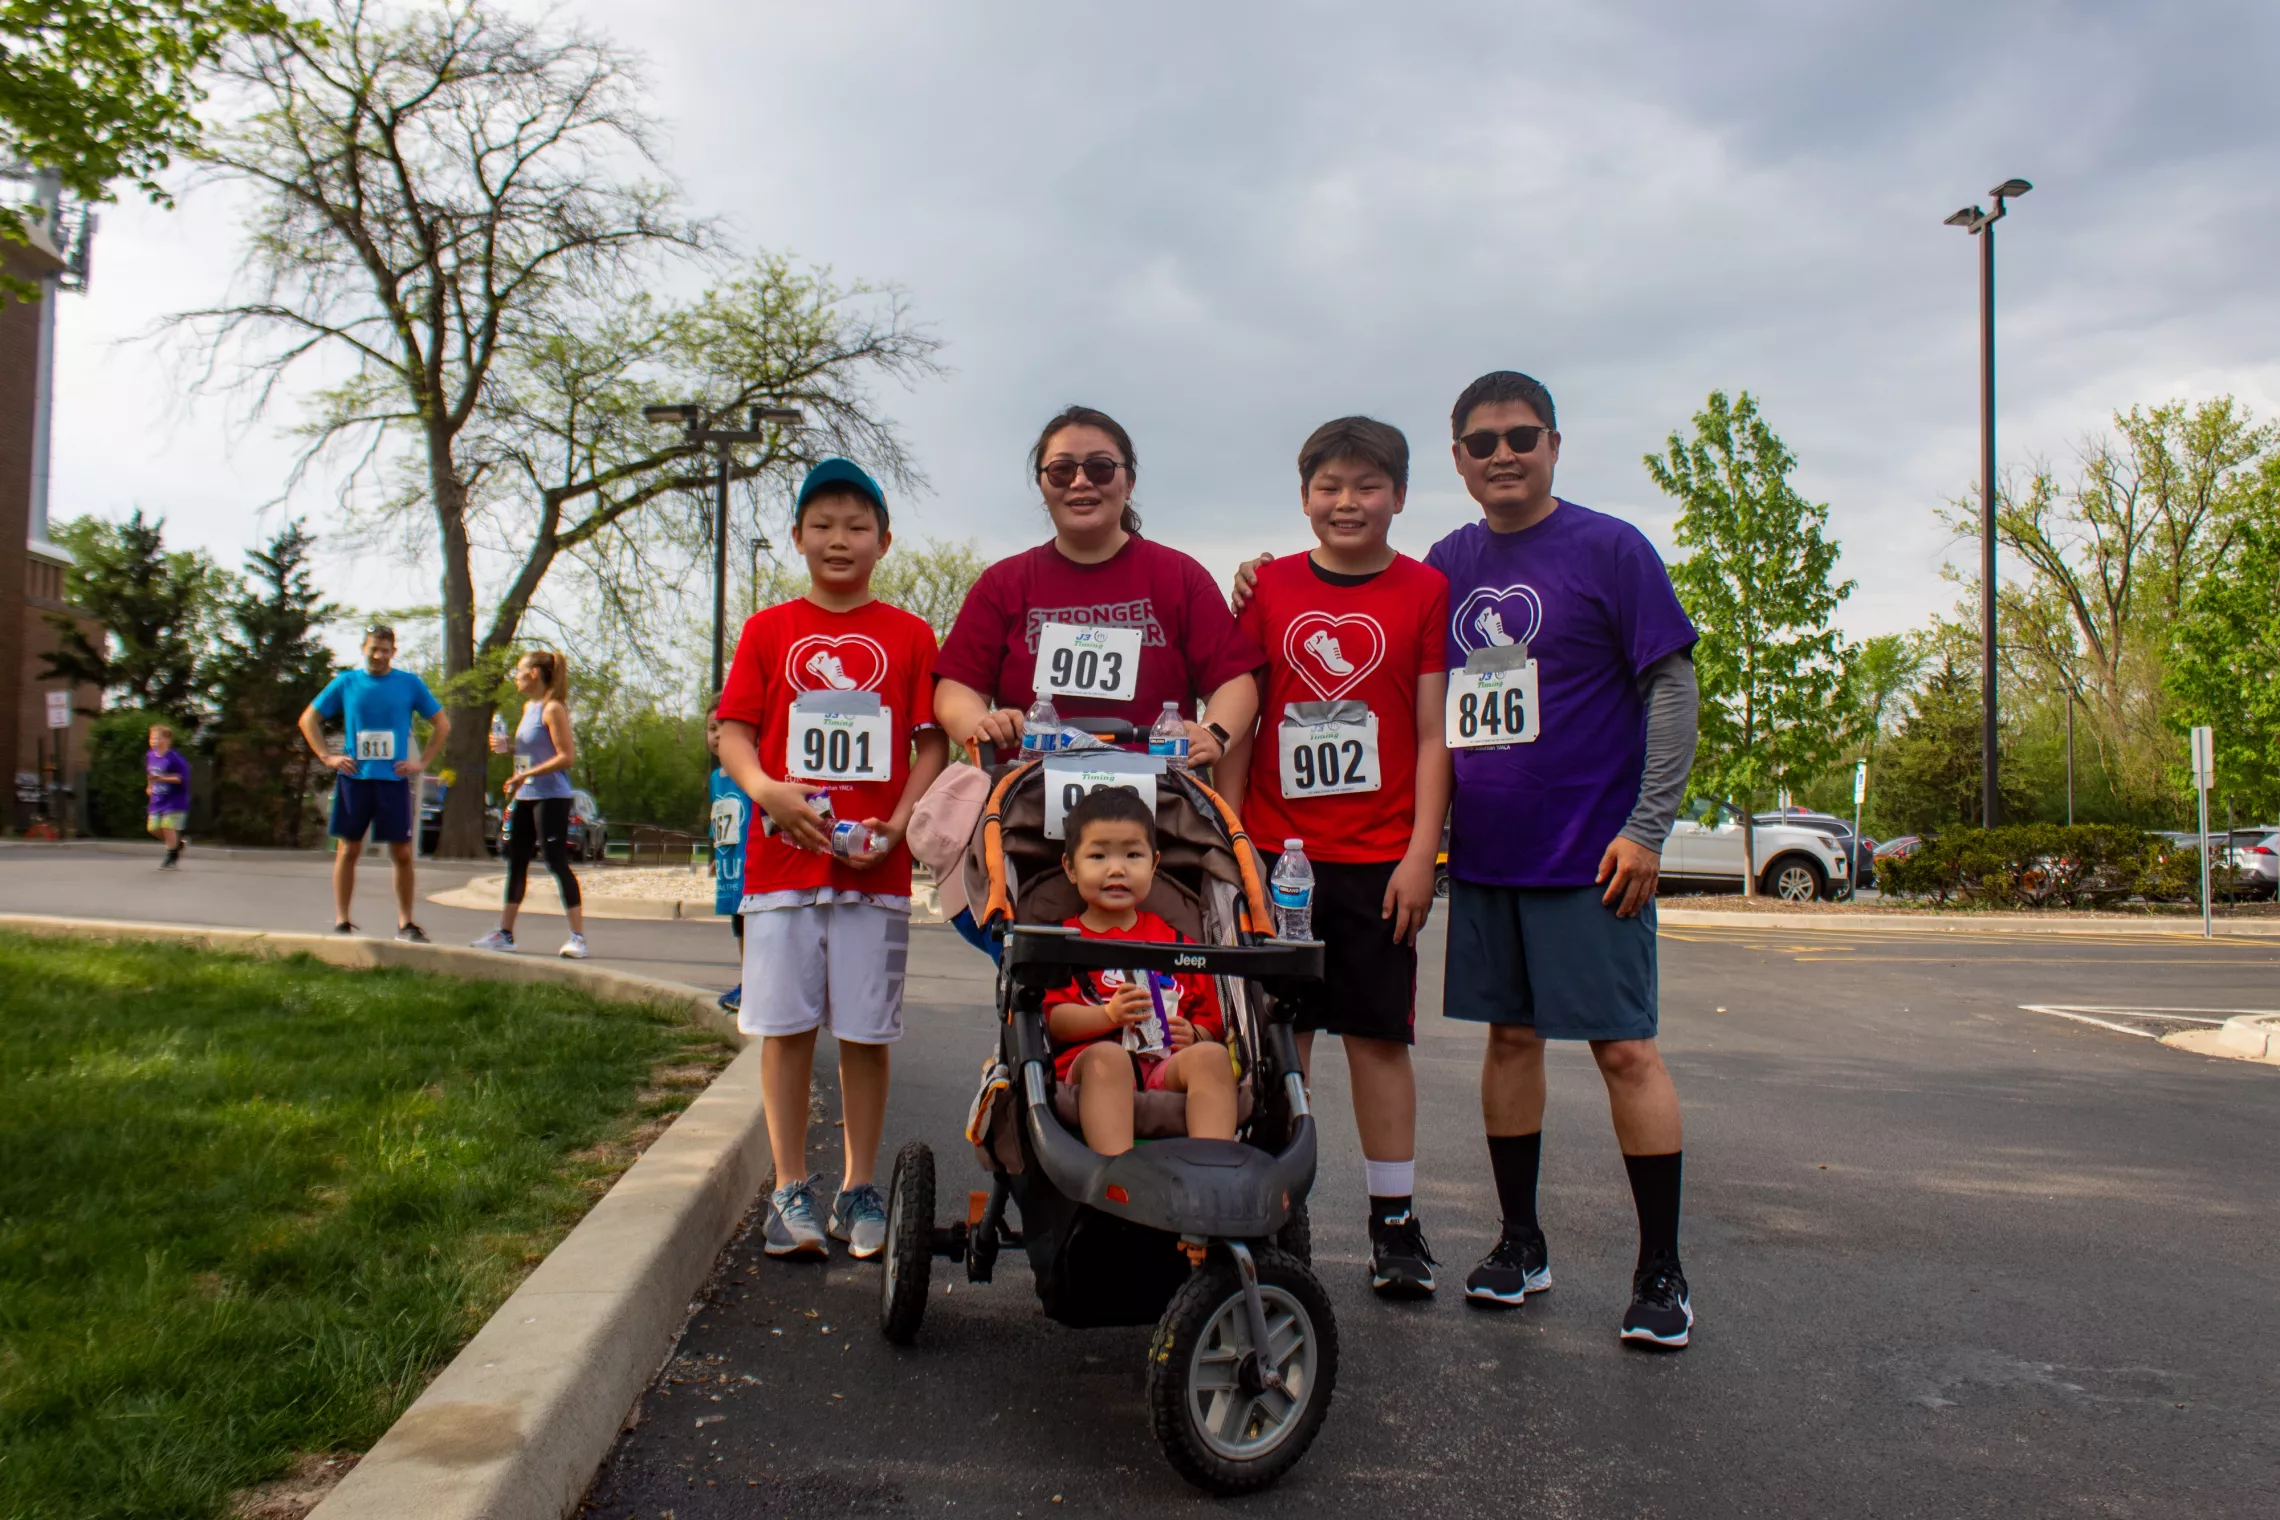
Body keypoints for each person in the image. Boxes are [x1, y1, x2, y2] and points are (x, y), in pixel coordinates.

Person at [1232, 372, 1702, 1349]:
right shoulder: (1447, 563)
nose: (1501, 453)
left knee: (1625, 1049)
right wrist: (1253, 576)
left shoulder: (1612, 548)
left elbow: (1670, 685)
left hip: (1593, 851)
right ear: (1455, 461)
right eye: (1481, 440)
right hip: (1489, 855)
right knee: (1512, 1043)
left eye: (1520, 436)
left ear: (1555, 443)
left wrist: (1650, 826)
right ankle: (1519, 1242)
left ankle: (1661, 1268)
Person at [1216, 416, 1451, 1299]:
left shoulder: (1426, 590)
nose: (1347, 502)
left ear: (1397, 496)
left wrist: (1422, 852)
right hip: (1280, 854)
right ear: (1304, 496)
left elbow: (1433, 735)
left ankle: (1395, 1224)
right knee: (1282, 1037)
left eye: (1367, 486)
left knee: (1379, 1039)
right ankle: (1280, 1212)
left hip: (1381, 857)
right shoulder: (1268, 588)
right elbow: (1246, 716)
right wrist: (1232, 838)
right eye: (1329, 487)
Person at [715, 458, 950, 1262]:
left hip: (871, 870)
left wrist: (902, 817)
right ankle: (789, 1189)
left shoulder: (910, 635)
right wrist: (765, 791)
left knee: (864, 1030)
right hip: (782, 867)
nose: (839, 540)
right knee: (784, 1030)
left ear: (884, 541)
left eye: (856, 527)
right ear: (797, 538)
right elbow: (734, 729)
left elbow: (931, 741)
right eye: (822, 526)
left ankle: (857, 1186)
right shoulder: (769, 629)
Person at [932, 405, 1262, 762]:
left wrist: (1213, 734)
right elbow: (957, 687)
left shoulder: (1180, 576)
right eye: (1061, 470)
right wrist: (980, 724)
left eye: (1100, 468)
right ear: (1042, 486)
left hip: (1161, 798)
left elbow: (1233, 680)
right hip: (1026, 797)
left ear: (1129, 484)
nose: (1080, 481)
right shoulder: (1001, 584)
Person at [1041, 787, 1237, 1155]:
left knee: (1212, 1057)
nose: (1117, 869)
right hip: (1090, 1063)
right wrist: (1107, 1015)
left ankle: (1213, 1169)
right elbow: (1054, 1020)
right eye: (1098, 856)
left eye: (1133, 855)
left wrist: (1193, 1034)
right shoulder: (1062, 943)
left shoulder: (1178, 943)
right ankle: (1118, 1174)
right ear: (1070, 867)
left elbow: (1211, 1020)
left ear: (1154, 863)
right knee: (1109, 1058)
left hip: (1165, 1066)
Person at [299, 625, 450, 941]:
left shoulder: (409, 684)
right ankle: (342, 920)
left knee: (403, 853)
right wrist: (327, 756)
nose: (379, 655)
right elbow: (308, 719)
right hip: (355, 778)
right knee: (348, 849)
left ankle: (406, 923)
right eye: (374, 649)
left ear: (394, 652)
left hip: (392, 780)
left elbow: (441, 724)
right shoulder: (347, 682)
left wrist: (421, 763)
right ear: (363, 648)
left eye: (385, 650)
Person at [470, 649, 588, 958]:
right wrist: (510, 751)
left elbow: (566, 757)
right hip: (526, 796)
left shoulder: (553, 709)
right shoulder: (528, 707)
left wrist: (528, 773)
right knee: (516, 861)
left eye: (519, 670)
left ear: (534, 673)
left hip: (552, 797)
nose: (515, 676)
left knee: (555, 862)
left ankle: (578, 938)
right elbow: (531, 754)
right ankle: (505, 933)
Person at [704, 699, 754, 1012]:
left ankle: (757, 986)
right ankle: (748, 982)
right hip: (730, 865)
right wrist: (716, 853)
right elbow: (719, 819)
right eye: (711, 728)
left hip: (753, 866)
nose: (717, 735)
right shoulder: (715, 779)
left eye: (725, 727)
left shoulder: (752, 771)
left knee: (754, 925)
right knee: (738, 924)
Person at [145, 724, 191, 869]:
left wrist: (162, 778)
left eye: (157, 738)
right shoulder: (150, 755)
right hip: (158, 799)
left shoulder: (175, 758)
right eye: (152, 738)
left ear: (167, 740)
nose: (153, 741)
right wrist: (150, 786)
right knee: (152, 828)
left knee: (167, 826)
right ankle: (177, 844)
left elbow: (181, 778)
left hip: (174, 799)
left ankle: (171, 857)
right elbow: (150, 773)